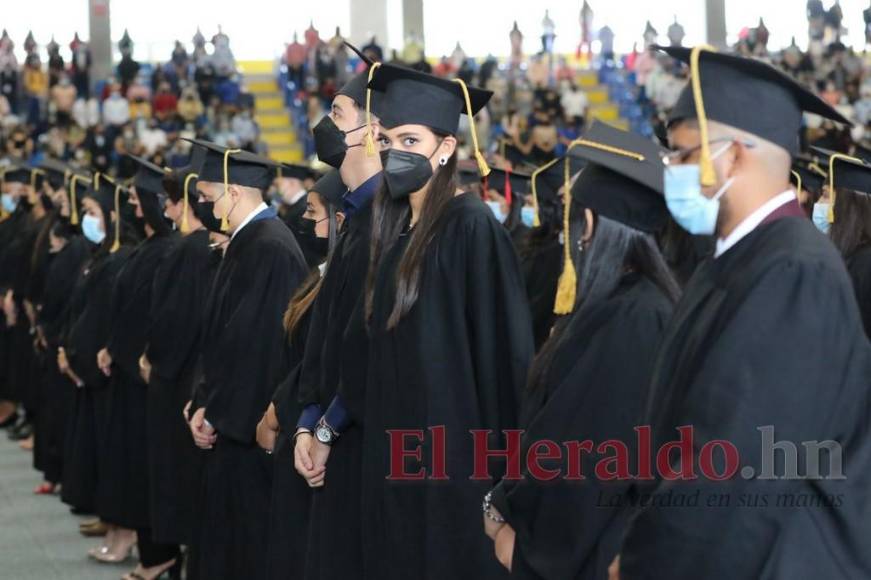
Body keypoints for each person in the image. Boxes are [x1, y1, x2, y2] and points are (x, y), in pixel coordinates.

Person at [613, 46, 871, 579]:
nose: (673, 171)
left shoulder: (794, 272)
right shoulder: (738, 258)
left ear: (730, 155)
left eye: (683, 155)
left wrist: (646, 562)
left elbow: (734, 465)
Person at [356, 63, 534, 579]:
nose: (396, 152)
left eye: (411, 138)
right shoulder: (394, 229)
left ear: (447, 148)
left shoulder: (471, 226)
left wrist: (503, 484)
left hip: (453, 463)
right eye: (387, 139)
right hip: (396, 452)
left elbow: (504, 359)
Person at [484, 122, 680, 579]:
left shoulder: (635, 317)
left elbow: (591, 457)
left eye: (570, 221)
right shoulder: (627, 302)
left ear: (589, 225)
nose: (562, 235)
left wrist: (525, 542)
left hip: (594, 552)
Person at [186, 138, 308, 579]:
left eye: (206, 196)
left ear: (234, 193)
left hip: (248, 425)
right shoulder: (247, 240)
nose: (201, 206)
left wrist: (217, 412)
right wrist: (203, 400)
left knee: (245, 544)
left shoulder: (270, 247)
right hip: (226, 414)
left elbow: (258, 349)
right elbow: (220, 336)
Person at [291, 42, 383, 580]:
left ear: (372, 131)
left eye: (338, 114)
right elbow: (326, 336)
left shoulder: (384, 222)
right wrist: (309, 418)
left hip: (360, 436)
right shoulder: (351, 220)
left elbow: (367, 343)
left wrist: (325, 427)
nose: (325, 124)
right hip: (328, 428)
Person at [257, 169, 346, 580]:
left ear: (340, 219)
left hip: (317, 433)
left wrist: (278, 410)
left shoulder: (344, 283)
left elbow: (327, 363)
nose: (305, 222)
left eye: (313, 212)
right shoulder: (321, 274)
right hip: (298, 425)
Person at [811, 148, 871, 338]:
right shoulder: (839, 254)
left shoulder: (866, 264)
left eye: (826, 195)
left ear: (847, 205)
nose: (819, 202)